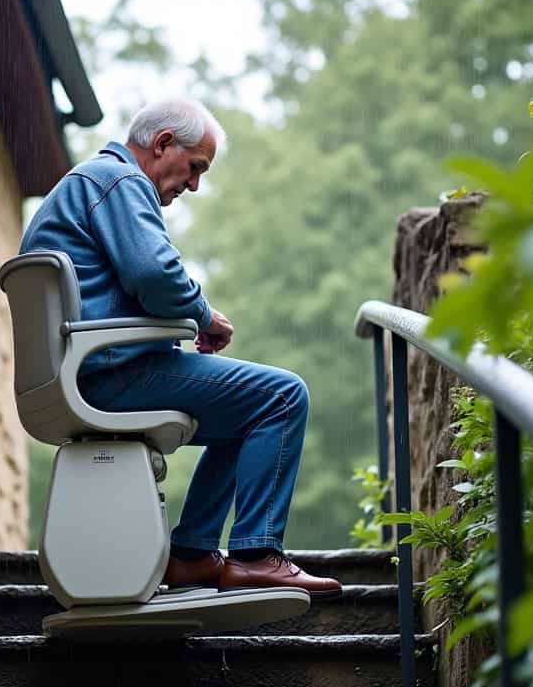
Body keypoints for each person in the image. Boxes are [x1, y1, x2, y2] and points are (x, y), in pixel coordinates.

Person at [19, 98, 341, 599]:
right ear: (163, 143)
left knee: (245, 413)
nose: (193, 185)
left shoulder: (87, 183)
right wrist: (204, 314)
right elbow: (155, 274)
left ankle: (191, 554)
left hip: (85, 369)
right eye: (195, 168)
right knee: (282, 396)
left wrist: (185, 317)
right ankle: (256, 556)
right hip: (113, 370)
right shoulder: (119, 180)